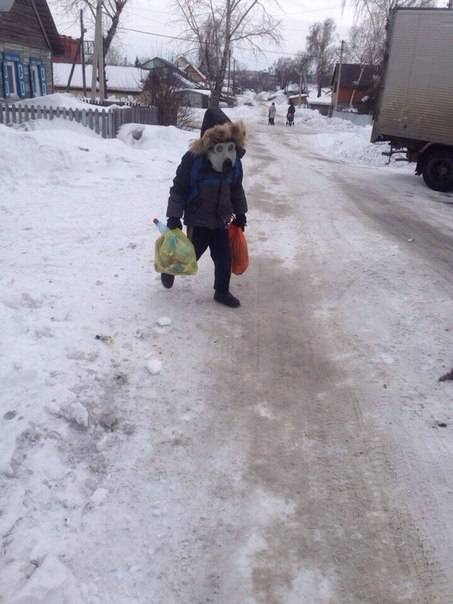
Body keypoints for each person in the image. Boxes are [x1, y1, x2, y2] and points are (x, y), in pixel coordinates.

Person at [160, 107, 248, 309]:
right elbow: (179, 189)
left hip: (221, 220)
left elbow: (236, 189)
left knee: (223, 258)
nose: (226, 152)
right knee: (188, 255)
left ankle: (222, 292)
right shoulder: (193, 160)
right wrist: (174, 217)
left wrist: (241, 213)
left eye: (229, 145)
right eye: (219, 145)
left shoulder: (234, 164)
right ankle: (170, 270)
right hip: (198, 220)